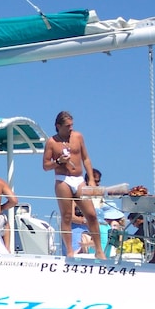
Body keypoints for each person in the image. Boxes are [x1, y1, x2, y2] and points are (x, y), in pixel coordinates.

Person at [42, 111, 104, 259]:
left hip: (78, 178)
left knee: (91, 215)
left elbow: (86, 158)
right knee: (67, 216)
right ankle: (69, 250)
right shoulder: (52, 142)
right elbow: (45, 165)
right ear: (58, 126)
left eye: (72, 125)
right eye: (67, 126)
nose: (71, 128)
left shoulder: (78, 137)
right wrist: (58, 162)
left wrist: (91, 180)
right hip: (63, 179)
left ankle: (99, 250)